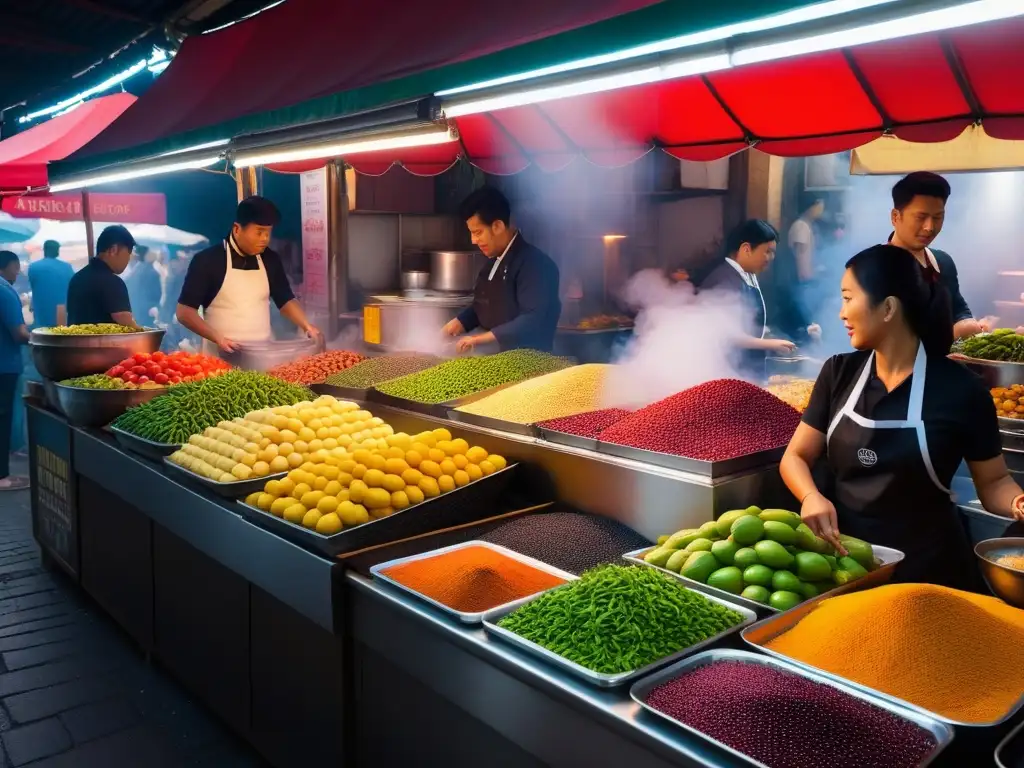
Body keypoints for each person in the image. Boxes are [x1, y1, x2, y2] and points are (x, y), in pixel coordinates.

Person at [780, 244, 1024, 591]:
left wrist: (1018, 502)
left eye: (849, 298)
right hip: (847, 562)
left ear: (888, 308)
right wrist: (810, 496)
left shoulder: (962, 390)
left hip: (930, 571)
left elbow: (995, 482)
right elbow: (796, 456)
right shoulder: (839, 373)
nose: (841, 313)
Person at [176, 197, 321, 355]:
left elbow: (285, 299)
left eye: (268, 232)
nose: (265, 239)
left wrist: (307, 326)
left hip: (263, 356)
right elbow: (185, 312)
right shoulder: (207, 261)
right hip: (221, 359)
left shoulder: (270, 259)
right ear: (237, 229)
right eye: (259, 232)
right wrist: (219, 338)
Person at [442, 187, 560, 353]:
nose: (474, 240)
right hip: (497, 361)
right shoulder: (492, 264)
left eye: (478, 232)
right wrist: (459, 323)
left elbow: (532, 319)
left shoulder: (536, 264)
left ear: (497, 226)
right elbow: (484, 307)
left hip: (532, 365)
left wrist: (479, 339)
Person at [887, 172, 991, 340]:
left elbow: (958, 309)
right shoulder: (872, 267)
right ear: (895, 217)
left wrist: (968, 324)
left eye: (938, 217)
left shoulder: (943, 262)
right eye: (921, 217)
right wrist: (950, 334)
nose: (929, 227)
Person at [696, 220, 801, 379]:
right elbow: (726, 334)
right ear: (746, 249)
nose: (771, 257)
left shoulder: (746, 275)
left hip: (746, 367)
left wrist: (771, 334)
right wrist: (769, 344)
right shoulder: (724, 279)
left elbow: (749, 321)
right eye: (767, 251)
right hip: (727, 371)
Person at [66, 225, 137, 327]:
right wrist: (144, 333)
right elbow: (125, 320)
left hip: (72, 342)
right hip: (103, 343)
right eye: (128, 253)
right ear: (113, 250)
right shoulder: (112, 282)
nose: (128, 259)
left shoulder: (77, 278)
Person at [0, 252, 29, 491]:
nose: (17, 272)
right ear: (5, 267)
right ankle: (2, 477)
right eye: (15, 267)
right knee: (2, 419)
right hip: (4, 367)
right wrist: (40, 338)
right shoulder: (5, 291)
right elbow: (19, 333)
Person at [27, 240, 73, 328]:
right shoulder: (67, 267)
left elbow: (34, 286)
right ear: (57, 251)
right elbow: (72, 286)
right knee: (60, 335)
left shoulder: (34, 267)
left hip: (41, 312)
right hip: (62, 312)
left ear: (44, 250)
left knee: (42, 335)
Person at [788, 193, 826, 283]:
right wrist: (808, 279)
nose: (821, 210)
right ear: (810, 208)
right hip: (804, 282)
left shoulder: (809, 225)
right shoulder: (801, 226)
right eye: (819, 207)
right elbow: (801, 258)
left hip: (809, 279)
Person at [124, 247, 162, 325]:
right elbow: (157, 295)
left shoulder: (133, 272)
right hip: (145, 314)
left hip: (133, 313)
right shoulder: (152, 272)